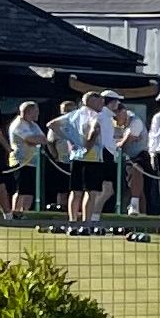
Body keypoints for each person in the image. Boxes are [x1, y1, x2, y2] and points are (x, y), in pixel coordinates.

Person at [50, 91, 108, 228]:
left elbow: (52, 125)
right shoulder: (95, 115)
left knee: (75, 191)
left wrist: (70, 138)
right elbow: (95, 130)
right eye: (100, 102)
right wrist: (87, 145)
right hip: (92, 157)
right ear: (92, 102)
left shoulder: (74, 114)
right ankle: (86, 222)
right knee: (91, 191)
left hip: (75, 156)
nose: (102, 105)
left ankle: (73, 220)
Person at [4, 100, 48, 215]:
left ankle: (26, 213)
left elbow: (44, 139)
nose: (38, 114)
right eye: (36, 111)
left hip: (33, 162)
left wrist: (36, 139)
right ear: (28, 112)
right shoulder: (18, 124)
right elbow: (30, 139)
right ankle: (16, 213)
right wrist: (35, 139)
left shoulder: (33, 125)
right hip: (21, 162)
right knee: (21, 189)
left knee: (29, 190)